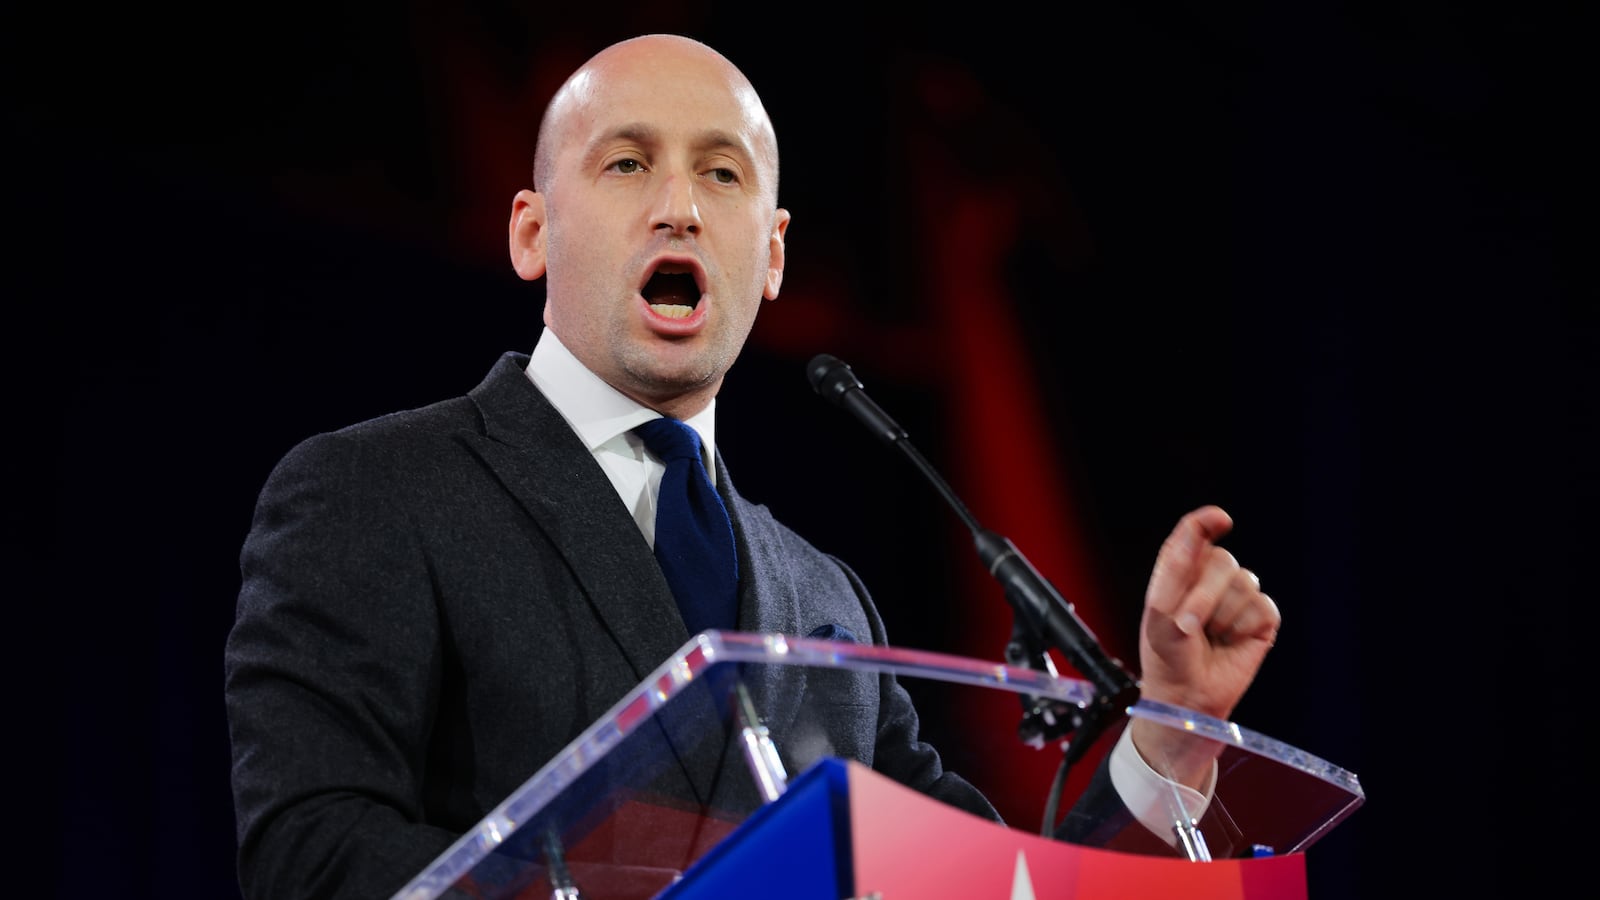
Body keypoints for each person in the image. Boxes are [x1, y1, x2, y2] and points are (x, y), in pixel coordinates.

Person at [224, 33, 1281, 900]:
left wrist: (1170, 739)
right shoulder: (372, 494)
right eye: (628, 162)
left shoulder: (827, 600)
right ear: (532, 231)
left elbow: (994, 888)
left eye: (720, 173)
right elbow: (307, 858)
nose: (679, 204)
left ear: (771, 255)